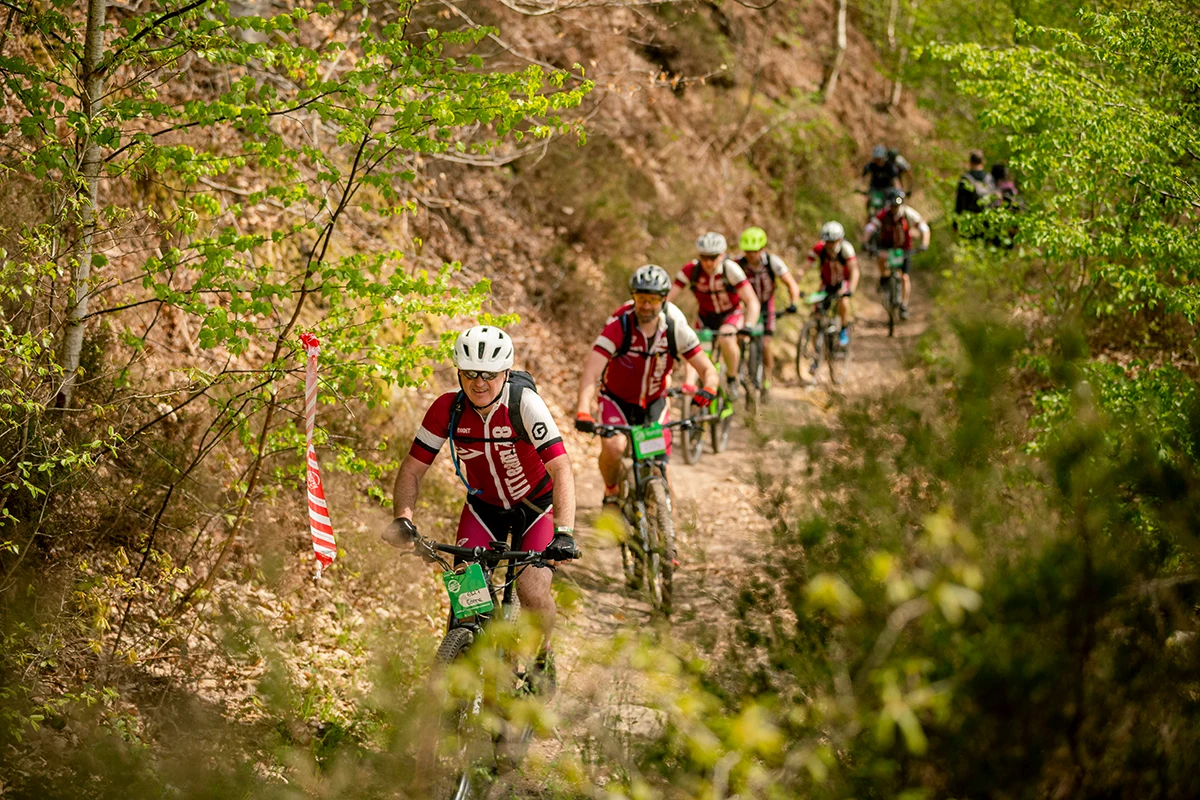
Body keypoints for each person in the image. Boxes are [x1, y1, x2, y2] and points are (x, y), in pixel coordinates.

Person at [382, 325, 578, 695]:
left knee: (532, 588)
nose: (479, 383)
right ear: (459, 372)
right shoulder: (448, 409)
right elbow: (412, 468)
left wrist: (564, 533)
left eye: (489, 374)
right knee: (466, 591)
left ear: (505, 373)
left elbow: (561, 468)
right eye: (470, 373)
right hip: (483, 509)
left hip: (534, 507)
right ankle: (460, 667)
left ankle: (543, 655)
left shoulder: (523, 404)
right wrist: (404, 519)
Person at [575, 265, 720, 506]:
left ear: (663, 299)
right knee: (614, 448)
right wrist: (583, 410)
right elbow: (591, 372)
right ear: (633, 298)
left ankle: (665, 534)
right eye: (641, 298)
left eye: (652, 300)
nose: (646, 305)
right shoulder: (619, 326)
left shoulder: (675, 327)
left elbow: (707, 369)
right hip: (616, 401)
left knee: (658, 468)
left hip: (654, 402)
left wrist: (710, 388)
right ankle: (611, 491)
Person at [666, 232, 760, 400]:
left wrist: (749, 325)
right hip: (705, 316)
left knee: (726, 338)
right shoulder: (692, 270)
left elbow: (752, 300)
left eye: (713, 257)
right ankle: (690, 390)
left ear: (721, 255)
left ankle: (732, 378)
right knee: (693, 347)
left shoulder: (730, 269)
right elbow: (668, 298)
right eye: (704, 257)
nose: (708, 262)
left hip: (730, 314)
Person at [735, 226, 800, 397]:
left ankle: (767, 379)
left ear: (762, 249)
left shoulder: (773, 262)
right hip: (745, 308)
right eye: (747, 251)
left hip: (766, 307)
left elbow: (791, 284)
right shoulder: (737, 264)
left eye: (754, 251)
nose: (751, 255)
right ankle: (736, 372)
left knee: (765, 344)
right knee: (738, 339)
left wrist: (793, 303)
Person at [863, 189, 930, 320]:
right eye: (892, 206)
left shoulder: (907, 213)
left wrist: (924, 244)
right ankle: (883, 278)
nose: (894, 208)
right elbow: (870, 227)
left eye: (896, 206)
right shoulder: (883, 214)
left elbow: (924, 228)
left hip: (904, 248)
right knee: (880, 258)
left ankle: (904, 305)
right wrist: (866, 242)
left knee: (905, 278)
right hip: (887, 247)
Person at [805, 221, 860, 350]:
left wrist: (851, 289)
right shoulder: (819, 249)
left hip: (842, 283)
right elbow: (804, 267)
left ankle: (844, 329)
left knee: (843, 301)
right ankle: (817, 350)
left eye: (833, 242)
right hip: (826, 283)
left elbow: (855, 271)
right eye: (827, 242)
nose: (829, 245)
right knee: (816, 312)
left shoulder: (846, 249)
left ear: (840, 240)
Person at [953, 150, 997, 238]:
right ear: (983, 162)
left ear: (970, 162)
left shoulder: (966, 179)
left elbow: (959, 203)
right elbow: (994, 200)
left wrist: (955, 224)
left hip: (969, 221)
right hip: (986, 220)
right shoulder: (989, 178)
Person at [861, 144, 912, 219]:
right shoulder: (872, 166)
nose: (878, 161)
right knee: (869, 201)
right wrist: (860, 188)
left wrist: (899, 191)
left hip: (888, 189)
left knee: (893, 202)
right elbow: (863, 177)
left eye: (880, 159)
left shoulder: (889, 166)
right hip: (875, 189)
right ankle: (869, 218)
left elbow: (895, 180)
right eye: (876, 159)